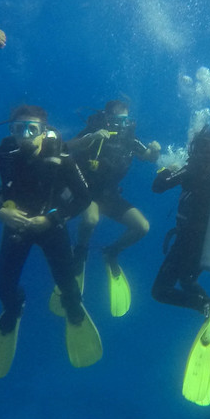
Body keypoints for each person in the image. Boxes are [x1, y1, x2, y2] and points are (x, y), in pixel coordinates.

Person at [0, 105, 100, 379]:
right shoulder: (3, 154)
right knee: (4, 288)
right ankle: (15, 307)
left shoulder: (60, 156)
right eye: (19, 129)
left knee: (67, 284)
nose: (25, 135)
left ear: (43, 131)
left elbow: (84, 198)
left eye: (32, 129)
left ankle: (73, 306)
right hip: (16, 228)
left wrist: (52, 219)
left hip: (51, 227)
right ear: (11, 131)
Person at [151, 127, 210, 406]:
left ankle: (209, 307)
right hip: (209, 241)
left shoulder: (194, 168)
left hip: (189, 240)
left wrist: (167, 168)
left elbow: (158, 186)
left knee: (160, 291)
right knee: (188, 280)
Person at [66, 99, 161, 317]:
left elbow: (147, 156)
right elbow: (67, 147)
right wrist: (91, 138)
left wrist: (155, 151)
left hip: (109, 195)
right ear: (107, 118)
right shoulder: (94, 131)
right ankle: (80, 251)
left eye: (125, 120)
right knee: (91, 219)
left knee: (142, 227)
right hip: (86, 192)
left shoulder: (130, 139)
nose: (122, 125)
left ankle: (111, 252)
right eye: (117, 120)